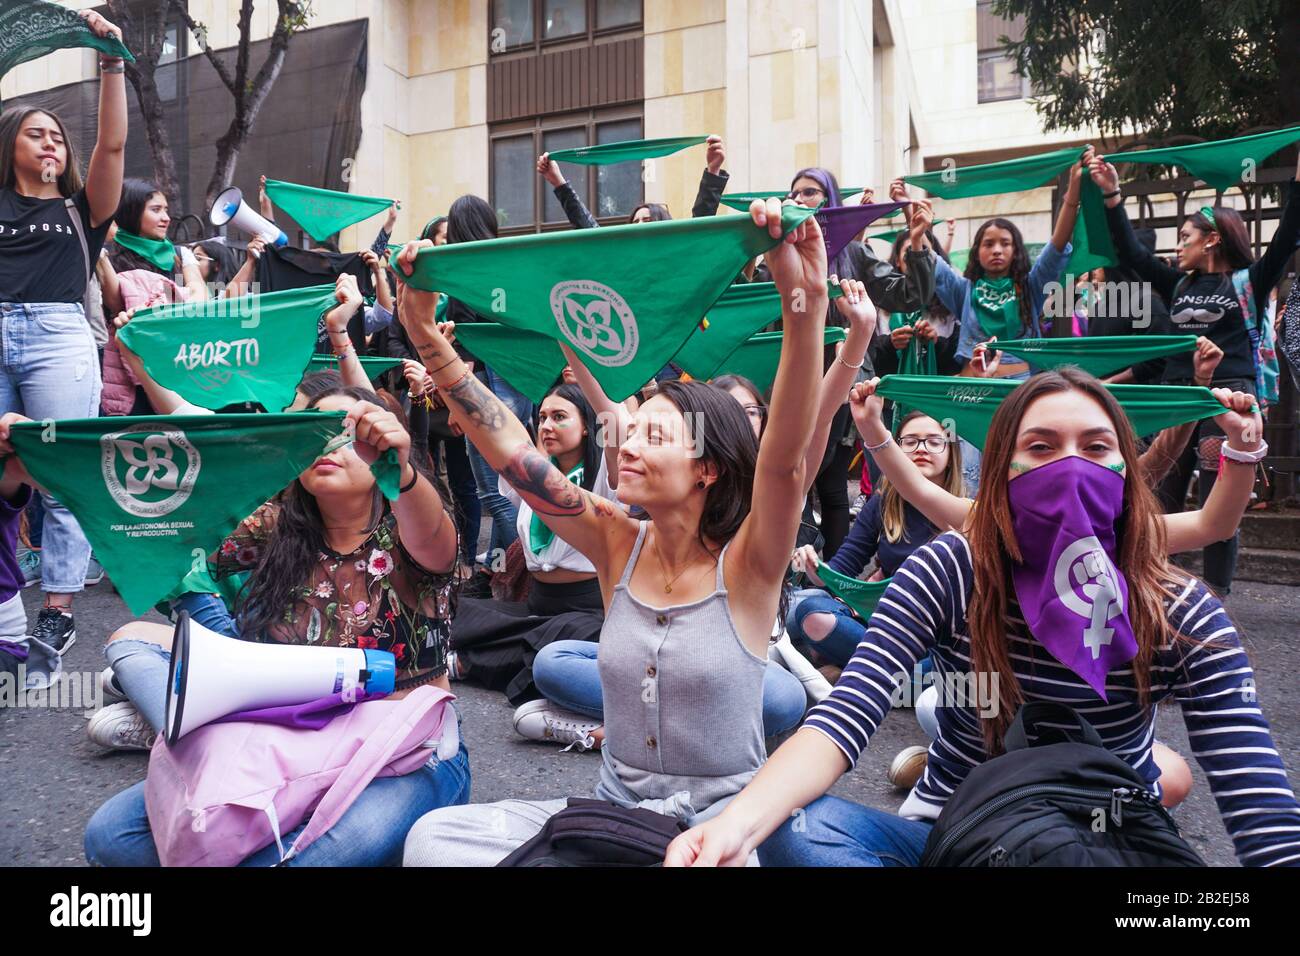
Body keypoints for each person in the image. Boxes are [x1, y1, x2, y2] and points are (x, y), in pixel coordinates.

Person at [664, 367, 1300, 868]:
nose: (1068, 464)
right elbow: (842, 717)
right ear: (1002, 469)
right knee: (796, 829)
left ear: (1125, 472)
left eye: (1096, 446)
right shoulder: (949, 569)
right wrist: (736, 824)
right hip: (957, 830)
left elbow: (1256, 794)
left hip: (1101, 838)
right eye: (1041, 446)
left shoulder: (1178, 607)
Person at [398, 197, 829, 866]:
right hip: (609, 817)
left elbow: (782, 460)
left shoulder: (750, 563)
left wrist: (805, 303)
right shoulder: (615, 540)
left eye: (654, 436)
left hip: (717, 834)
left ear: (708, 467)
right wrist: (428, 338)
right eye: (631, 432)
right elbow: (513, 453)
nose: (625, 448)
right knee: (433, 841)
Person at [75, 385, 466, 866]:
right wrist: (38, 468)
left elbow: (433, 536)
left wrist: (402, 474)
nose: (332, 445)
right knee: (112, 837)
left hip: (398, 758)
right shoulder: (276, 528)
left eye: (353, 433)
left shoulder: (413, 531)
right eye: (316, 434)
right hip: (282, 744)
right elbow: (160, 530)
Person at [1089, 149, 1300, 596]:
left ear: (1211, 240)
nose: (1177, 245)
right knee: (1161, 494)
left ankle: (1217, 594)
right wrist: (1111, 195)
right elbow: (1129, 252)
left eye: (1185, 236)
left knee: (1216, 498)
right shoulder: (1177, 283)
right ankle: (1155, 583)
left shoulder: (1249, 281)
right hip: (1176, 397)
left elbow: (1286, 237)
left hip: (1228, 401)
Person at [0, 9, 127, 656]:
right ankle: (4, 598)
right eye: (35, 134)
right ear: (9, 146)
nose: (51, 143)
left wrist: (111, 60)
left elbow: (110, 147)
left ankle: (56, 606)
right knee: (2, 471)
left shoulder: (83, 212)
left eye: (56, 135)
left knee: (59, 471)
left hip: (57, 337)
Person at [759, 166, 936, 558]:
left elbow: (909, 295)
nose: (800, 199)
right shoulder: (773, 258)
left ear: (830, 202)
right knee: (788, 474)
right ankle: (781, 567)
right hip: (787, 385)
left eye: (811, 192)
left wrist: (919, 242)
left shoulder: (855, 254)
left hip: (845, 385)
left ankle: (832, 578)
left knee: (832, 486)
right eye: (795, 193)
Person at [447, 382, 613, 714]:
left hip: (587, 611)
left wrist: (575, 351)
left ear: (587, 428)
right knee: (459, 612)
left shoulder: (605, 480)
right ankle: (478, 656)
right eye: (543, 417)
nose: (548, 425)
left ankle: (467, 662)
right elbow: (493, 431)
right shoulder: (532, 474)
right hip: (537, 604)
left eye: (560, 417)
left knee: (560, 638)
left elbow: (614, 417)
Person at [787, 411, 963, 669]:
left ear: (952, 452)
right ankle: (891, 677)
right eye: (910, 441)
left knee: (944, 663)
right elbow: (840, 572)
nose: (922, 449)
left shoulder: (968, 509)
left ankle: (860, 669)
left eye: (935, 442)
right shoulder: (883, 503)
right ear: (896, 450)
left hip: (939, 635)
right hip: (881, 621)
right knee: (809, 610)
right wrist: (814, 567)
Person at [890, 151, 1088, 380]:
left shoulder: (1032, 286)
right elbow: (929, 258)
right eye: (988, 244)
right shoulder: (963, 290)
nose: (996, 250)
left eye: (1005, 243)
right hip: (972, 391)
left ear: (1016, 252)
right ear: (977, 252)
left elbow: (1057, 245)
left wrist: (1074, 191)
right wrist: (909, 212)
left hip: (1020, 391)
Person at [100, 178, 208, 415]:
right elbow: (116, 302)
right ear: (131, 212)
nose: (166, 218)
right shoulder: (107, 256)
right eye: (156, 210)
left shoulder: (180, 254)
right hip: (126, 369)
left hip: (178, 359)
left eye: (166, 210)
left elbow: (200, 298)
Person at [536, 134, 731, 229]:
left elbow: (700, 228)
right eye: (635, 222)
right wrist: (558, 182)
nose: (639, 225)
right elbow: (590, 231)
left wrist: (713, 170)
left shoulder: (678, 251)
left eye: (646, 220)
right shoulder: (622, 258)